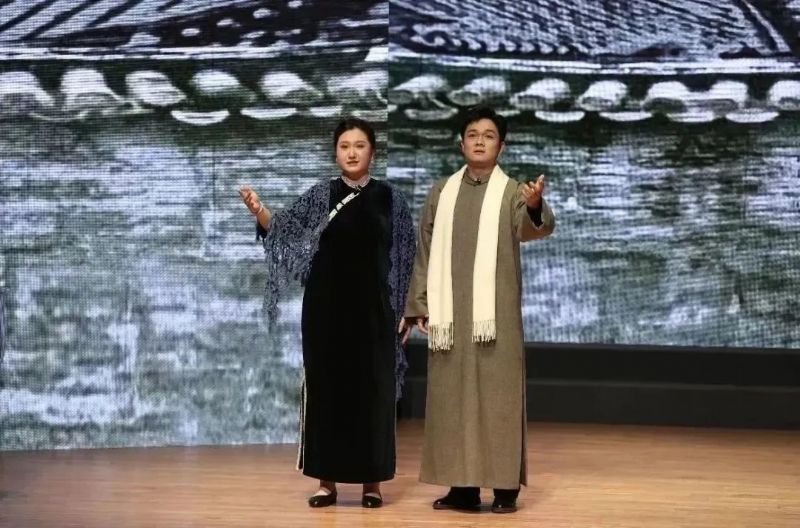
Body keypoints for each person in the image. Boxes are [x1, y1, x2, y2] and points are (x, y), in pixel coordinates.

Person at [239, 118, 416, 508]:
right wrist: (259, 209)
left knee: (374, 395)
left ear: (372, 152)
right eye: (344, 146)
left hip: (375, 313)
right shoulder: (321, 195)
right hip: (326, 312)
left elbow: (407, 256)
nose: (352, 152)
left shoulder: (391, 199)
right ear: (336, 153)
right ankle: (326, 483)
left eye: (359, 145)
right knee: (327, 393)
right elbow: (283, 231)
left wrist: (406, 306)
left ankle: (372, 484)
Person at [400, 105, 555, 513]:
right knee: (452, 400)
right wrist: (418, 303)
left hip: (494, 316)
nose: (480, 141)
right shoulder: (441, 192)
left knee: (499, 400)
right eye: (473, 135)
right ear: (461, 144)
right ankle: (463, 488)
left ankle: (504, 488)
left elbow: (531, 228)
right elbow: (424, 250)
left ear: (501, 146)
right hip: (450, 316)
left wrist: (535, 205)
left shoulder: (512, 192)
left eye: (489, 135)